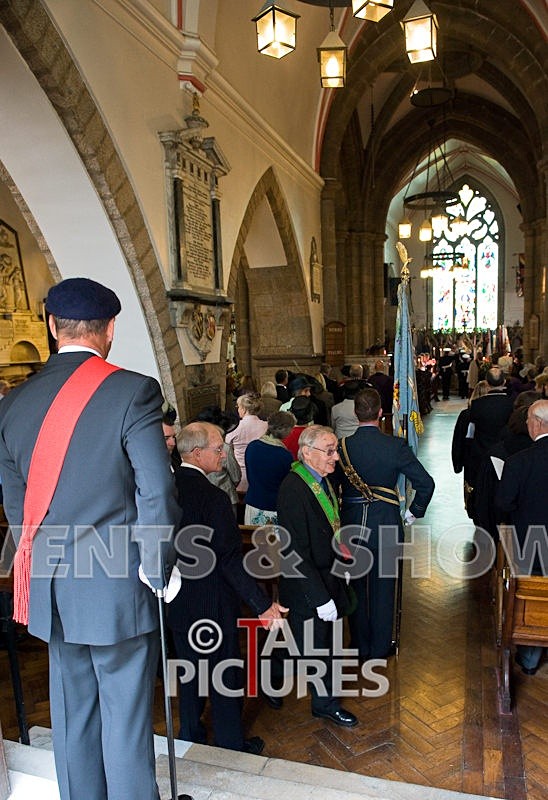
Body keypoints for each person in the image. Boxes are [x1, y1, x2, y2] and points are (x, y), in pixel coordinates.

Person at [0, 277, 179, 800]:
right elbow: (157, 489)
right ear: (111, 330)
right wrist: (158, 564)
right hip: (116, 588)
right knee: (124, 722)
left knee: (72, 713)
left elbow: (17, 506)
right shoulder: (133, 390)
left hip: (54, 587)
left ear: (52, 326)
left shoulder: (13, 403)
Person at [168, 422, 287, 753]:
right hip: (213, 602)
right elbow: (230, 560)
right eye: (218, 448)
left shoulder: (163, 490)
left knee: (189, 671)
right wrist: (262, 605)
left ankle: (190, 733)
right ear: (196, 453)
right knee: (225, 675)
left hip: (177, 599)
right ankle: (230, 743)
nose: (224, 453)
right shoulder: (214, 498)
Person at [336, 388, 434, 661]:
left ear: (355, 414)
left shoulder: (341, 447)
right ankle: (379, 648)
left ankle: (359, 645)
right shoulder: (395, 446)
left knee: (355, 583)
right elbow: (426, 483)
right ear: (381, 413)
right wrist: (412, 513)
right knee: (383, 586)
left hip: (351, 522)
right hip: (387, 523)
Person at [277, 425, 359, 729]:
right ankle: (324, 705)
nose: (335, 457)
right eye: (329, 450)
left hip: (329, 575)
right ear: (307, 452)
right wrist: (320, 597)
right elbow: (294, 551)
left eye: (335, 449)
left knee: (318, 645)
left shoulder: (321, 480)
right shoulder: (293, 489)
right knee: (317, 649)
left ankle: (272, 678)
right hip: (308, 586)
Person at [496, 399, 548, 675]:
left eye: (528, 419)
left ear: (538, 424)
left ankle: (529, 658)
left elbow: (504, 503)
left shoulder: (519, 462)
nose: (526, 424)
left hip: (531, 543)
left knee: (532, 595)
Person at [244, 410, 295, 525]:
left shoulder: (252, 446)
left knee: (253, 539)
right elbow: (287, 484)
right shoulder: (284, 455)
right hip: (273, 506)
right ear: (286, 430)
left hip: (253, 502)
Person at [451, 380, 490, 517]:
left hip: (471, 459)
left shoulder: (466, 414)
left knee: (472, 489)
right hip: (487, 457)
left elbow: (458, 441)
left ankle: (473, 510)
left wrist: (458, 463)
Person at [194, 405, 241, 517]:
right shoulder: (225, 448)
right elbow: (236, 476)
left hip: (203, 500)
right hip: (226, 497)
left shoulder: (193, 448)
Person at [225, 392, 268, 493]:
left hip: (242, 475)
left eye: (238, 407)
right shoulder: (266, 426)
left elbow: (227, 448)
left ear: (244, 409)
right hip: (263, 472)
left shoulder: (235, 428)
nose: (238, 409)